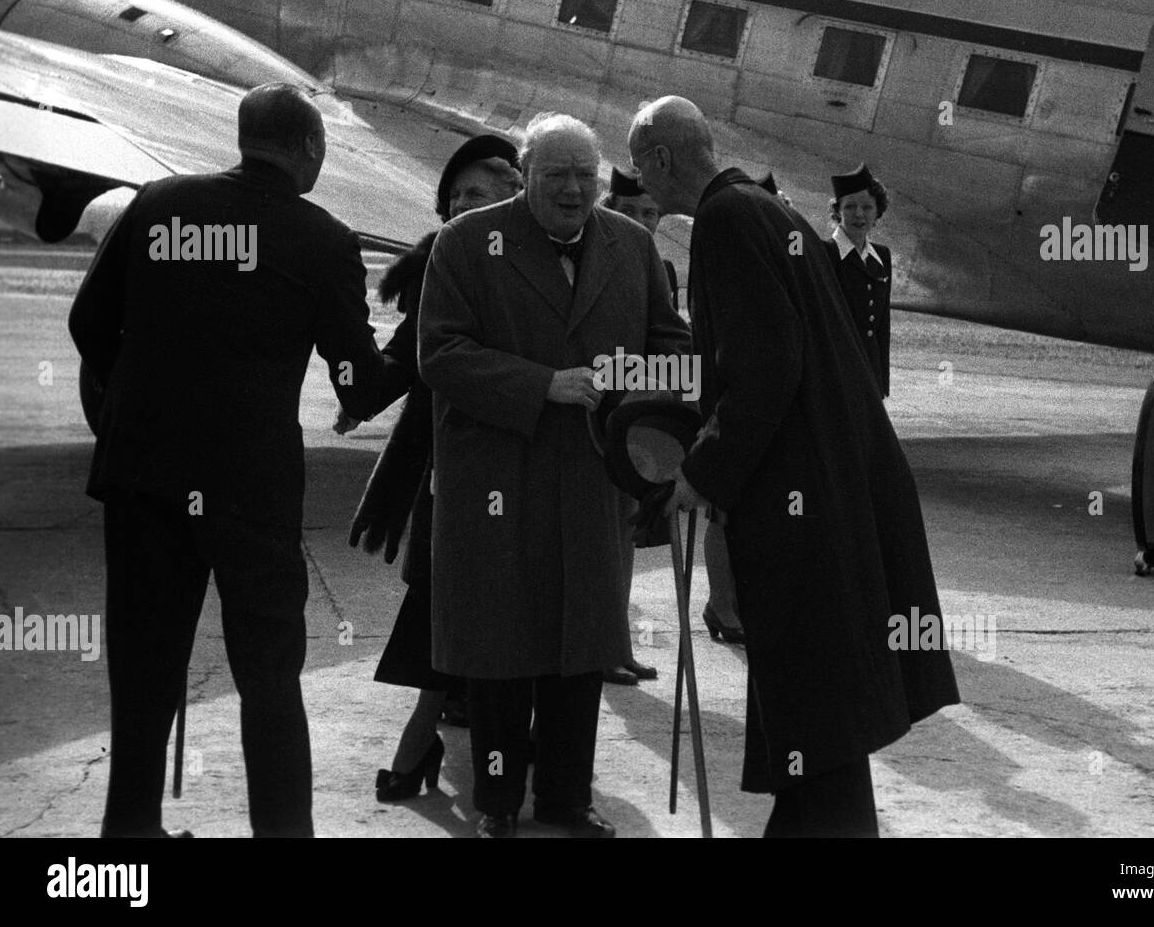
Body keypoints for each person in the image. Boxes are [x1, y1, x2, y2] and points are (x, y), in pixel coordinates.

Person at [68, 83, 409, 837]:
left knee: (144, 668)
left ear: (244, 136)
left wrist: (127, 408)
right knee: (267, 678)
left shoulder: (157, 204)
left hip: (143, 477)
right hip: (248, 491)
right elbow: (357, 382)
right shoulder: (322, 238)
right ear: (312, 150)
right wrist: (417, 344)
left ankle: (130, 835)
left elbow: (89, 324)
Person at [628, 96, 959, 838]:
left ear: (662, 159)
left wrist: (701, 473)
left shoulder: (722, 220)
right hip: (829, 489)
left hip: (797, 507)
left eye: (640, 165)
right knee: (813, 729)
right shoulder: (769, 210)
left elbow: (764, 367)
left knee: (816, 716)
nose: (640, 183)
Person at [419, 112, 690, 838]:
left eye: (586, 177)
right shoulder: (468, 244)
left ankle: (568, 801)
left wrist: (656, 411)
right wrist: (545, 384)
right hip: (500, 482)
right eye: (555, 176)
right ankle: (499, 806)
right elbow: (441, 355)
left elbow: (671, 347)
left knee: (580, 654)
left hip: (592, 483)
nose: (573, 190)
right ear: (524, 175)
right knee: (501, 656)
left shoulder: (631, 246)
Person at [347, 134, 524, 801]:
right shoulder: (442, 268)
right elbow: (397, 360)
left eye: (477, 194)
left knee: (494, 612)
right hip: (450, 472)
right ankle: (424, 735)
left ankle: (460, 736)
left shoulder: (543, 269)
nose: (460, 207)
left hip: (523, 471)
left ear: (514, 197)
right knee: (443, 603)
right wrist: (346, 363)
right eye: (454, 197)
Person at [598, 165, 672, 686]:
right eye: (631, 212)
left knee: (623, 539)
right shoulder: (589, 256)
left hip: (631, 423)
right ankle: (593, 646)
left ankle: (614, 643)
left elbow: (668, 347)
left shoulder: (658, 267)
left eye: (651, 213)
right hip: (586, 418)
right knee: (591, 542)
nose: (643, 222)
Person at [827, 164, 893, 397]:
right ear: (837, 212)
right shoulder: (826, 253)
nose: (859, 214)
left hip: (870, 372)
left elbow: (882, 326)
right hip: (836, 373)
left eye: (867, 207)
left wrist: (882, 382)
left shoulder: (882, 256)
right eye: (850, 206)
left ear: (877, 212)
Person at [603, 166, 678, 307]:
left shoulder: (665, 271)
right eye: (628, 211)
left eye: (648, 213)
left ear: (658, 219)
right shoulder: (593, 266)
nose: (638, 222)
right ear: (609, 213)